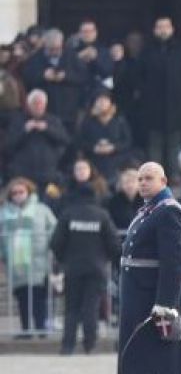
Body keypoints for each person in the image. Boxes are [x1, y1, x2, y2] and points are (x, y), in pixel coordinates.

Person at [117, 162, 181, 374]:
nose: (143, 183)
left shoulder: (169, 211)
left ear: (163, 181)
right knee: (140, 356)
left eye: (149, 178)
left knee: (162, 360)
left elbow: (173, 261)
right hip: (139, 295)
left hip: (155, 296)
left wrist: (165, 303)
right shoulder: (148, 210)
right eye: (140, 179)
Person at [50, 181, 121, 354]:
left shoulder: (68, 215)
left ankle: (67, 346)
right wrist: (111, 261)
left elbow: (55, 243)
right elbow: (114, 244)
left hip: (73, 268)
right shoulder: (102, 215)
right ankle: (90, 344)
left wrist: (63, 260)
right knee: (91, 306)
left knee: (72, 308)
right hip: (97, 268)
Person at [140, 18, 181, 179]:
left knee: (175, 143)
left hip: (176, 106)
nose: (163, 30)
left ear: (172, 29)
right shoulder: (148, 51)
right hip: (153, 106)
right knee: (154, 144)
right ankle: (154, 177)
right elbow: (138, 76)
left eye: (166, 27)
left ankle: (175, 175)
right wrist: (146, 93)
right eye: (159, 27)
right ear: (154, 30)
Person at [0, 177, 57, 337]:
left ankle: (41, 328)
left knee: (38, 298)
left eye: (21, 191)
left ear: (28, 192)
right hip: (16, 263)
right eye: (14, 193)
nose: (18, 195)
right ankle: (26, 330)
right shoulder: (4, 212)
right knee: (22, 297)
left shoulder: (41, 209)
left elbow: (54, 229)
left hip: (38, 261)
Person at [21, 28, 88, 132]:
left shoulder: (72, 56)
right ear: (45, 44)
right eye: (51, 49)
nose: (54, 51)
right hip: (46, 111)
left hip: (69, 109)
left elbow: (83, 76)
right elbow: (27, 78)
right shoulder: (35, 58)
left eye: (57, 48)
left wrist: (66, 76)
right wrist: (43, 76)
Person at [5, 90, 70, 190]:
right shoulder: (18, 120)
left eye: (41, 103)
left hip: (47, 172)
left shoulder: (53, 121)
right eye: (35, 103)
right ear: (29, 104)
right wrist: (25, 130)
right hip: (23, 173)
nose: (38, 106)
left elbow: (65, 140)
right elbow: (8, 145)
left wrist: (47, 129)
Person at [77, 90, 135, 184]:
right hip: (94, 163)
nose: (102, 104)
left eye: (105, 100)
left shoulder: (119, 121)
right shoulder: (87, 122)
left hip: (116, 163)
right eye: (99, 101)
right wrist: (94, 148)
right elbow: (80, 141)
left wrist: (113, 147)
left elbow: (127, 141)